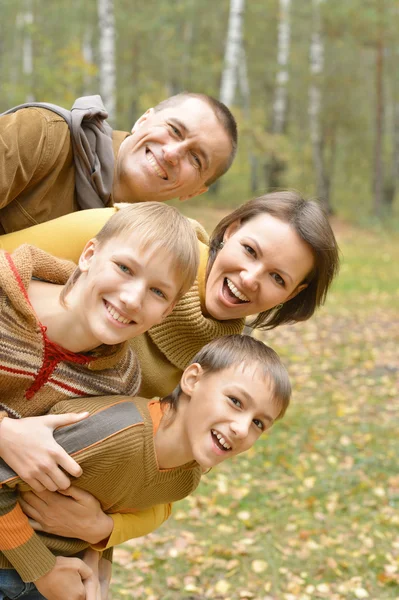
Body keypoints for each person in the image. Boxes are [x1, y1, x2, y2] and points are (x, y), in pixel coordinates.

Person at [1, 190, 340, 562]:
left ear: (294, 293)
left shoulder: (228, 373)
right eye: (250, 250)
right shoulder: (137, 237)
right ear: (230, 230)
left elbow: (161, 475)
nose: (249, 278)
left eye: (277, 277)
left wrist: (102, 534)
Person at [0, 334, 291, 600]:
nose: (242, 429)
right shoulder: (114, 431)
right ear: (192, 380)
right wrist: (42, 570)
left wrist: (98, 571)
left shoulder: (184, 479)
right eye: (236, 401)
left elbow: (110, 502)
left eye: (258, 423)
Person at [0, 92, 237, 234]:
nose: (172, 153)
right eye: (174, 130)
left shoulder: (148, 249)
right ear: (143, 119)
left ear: (195, 193)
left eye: (196, 159)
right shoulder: (45, 135)